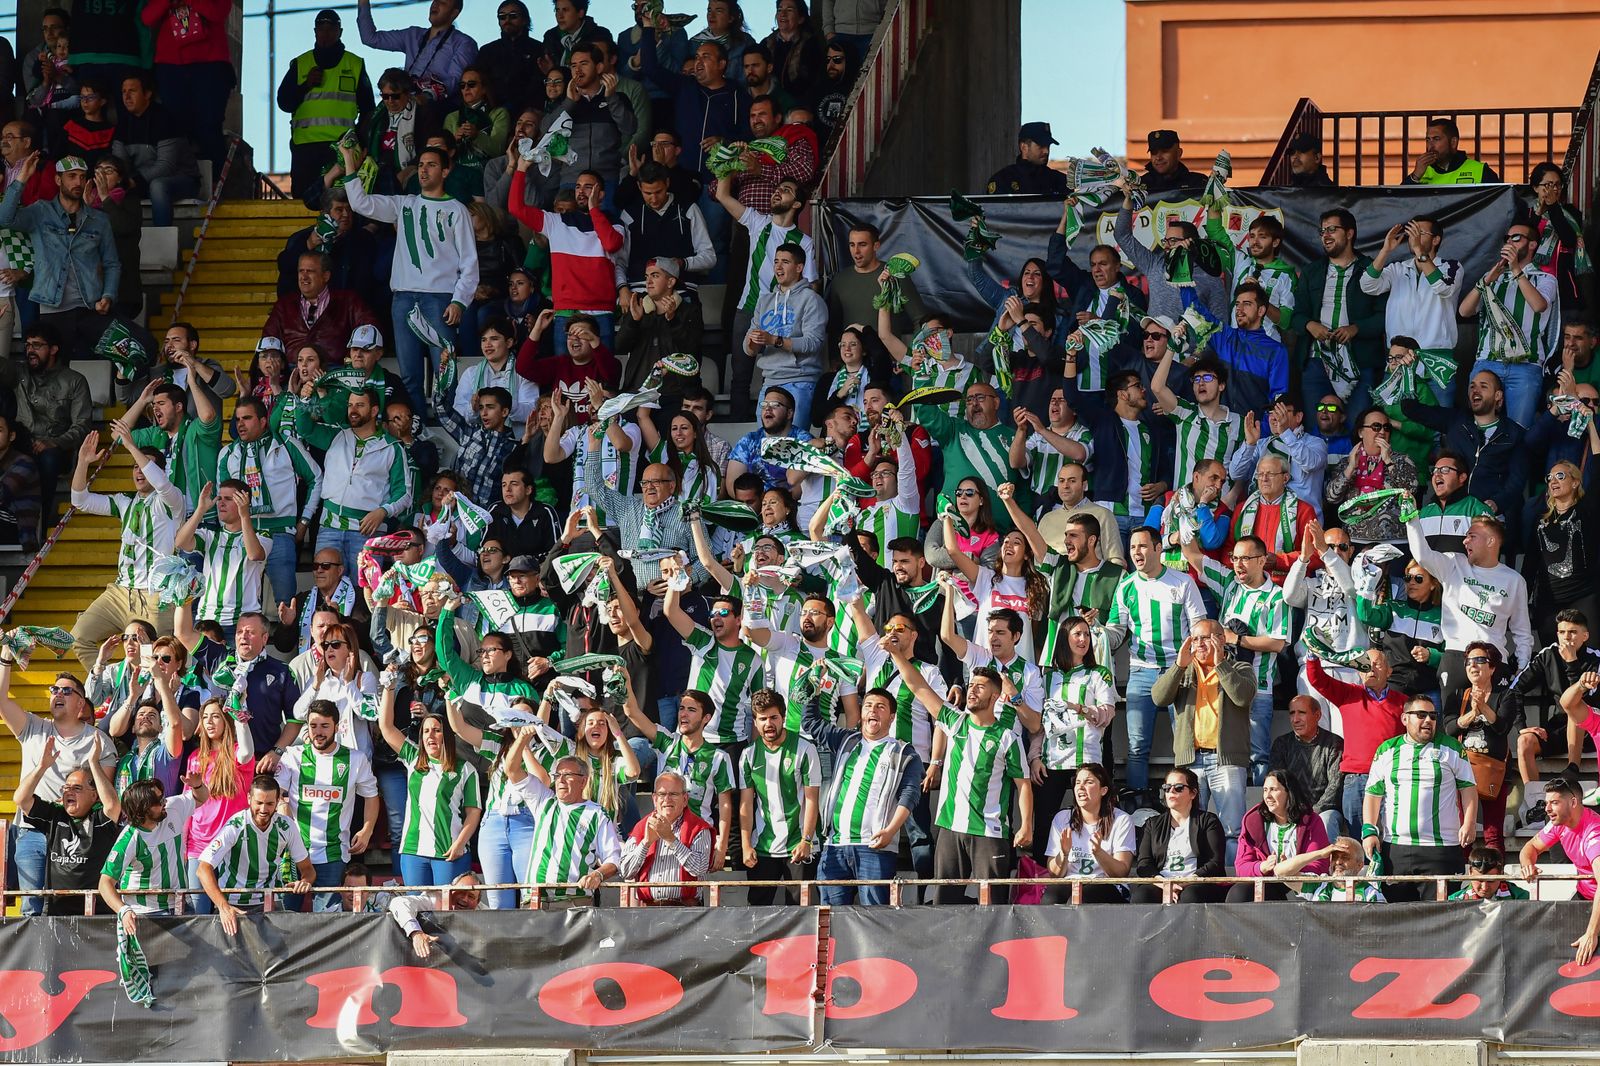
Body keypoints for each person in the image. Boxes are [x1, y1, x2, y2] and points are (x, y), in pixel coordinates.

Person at [339, 141, 477, 416]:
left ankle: (449, 427)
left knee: (444, 371)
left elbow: (470, 263)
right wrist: (348, 160)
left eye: (432, 165)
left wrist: (459, 301)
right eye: (421, 164)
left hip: (439, 298)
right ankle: (415, 434)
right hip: (403, 298)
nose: (424, 170)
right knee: (410, 374)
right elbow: (360, 203)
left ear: (446, 171)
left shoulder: (457, 209)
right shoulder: (405, 204)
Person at [892, 655, 1030, 904]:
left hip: (990, 831)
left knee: (993, 905)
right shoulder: (955, 722)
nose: (972, 690)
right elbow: (918, 686)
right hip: (951, 827)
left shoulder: (1008, 737)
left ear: (996, 696)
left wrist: (1026, 825)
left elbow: (1023, 784)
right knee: (945, 903)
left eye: (980, 686)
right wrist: (896, 654)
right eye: (971, 685)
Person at [0, 658, 117, 917]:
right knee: (31, 906)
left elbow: (101, 795)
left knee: (64, 909)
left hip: (71, 834)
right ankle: (36, 960)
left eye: (66, 690)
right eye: (54, 689)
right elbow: (1, 699)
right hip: (31, 829)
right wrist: (6, 657)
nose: (57, 694)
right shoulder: (32, 726)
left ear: (80, 703)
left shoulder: (99, 740)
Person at [66, 427, 186, 669]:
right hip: (120, 592)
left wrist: (131, 445)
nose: (139, 471)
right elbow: (79, 500)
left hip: (156, 595)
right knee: (79, 637)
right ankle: (110, 688)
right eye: (134, 466)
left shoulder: (172, 501)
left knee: (156, 657)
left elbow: (162, 485)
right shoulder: (125, 502)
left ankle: (149, 702)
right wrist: (82, 462)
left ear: (160, 470)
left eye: (145, 466)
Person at [1104, 526, 1206, 798]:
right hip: (1142, 671)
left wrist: (1190, 664)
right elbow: (1116, 633)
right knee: (1137, 746)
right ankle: (1138, 803)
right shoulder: (1125, 586)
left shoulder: (1183, 582)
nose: (1136, 552)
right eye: (1133, 547)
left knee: (1184, 743)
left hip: (1180, 670)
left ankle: (1187, 798)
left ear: (1159, 548)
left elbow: (1199, 628)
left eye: (1143, 546)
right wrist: (1098, 633)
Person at [1180, 536, 1289, 787]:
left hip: (1259, 686)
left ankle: (1261, 811)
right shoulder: (1230, 584)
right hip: (1222, 688)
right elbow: (1192, 555)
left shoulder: (1276, 596)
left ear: (1262, 561)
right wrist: (1182, 528)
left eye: (1246, 559)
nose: (1239, 564)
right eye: (1235, 558)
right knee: (1223, 753)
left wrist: (1237, 639)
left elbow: (1277, 643)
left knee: (1259, 754)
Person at [1407, 513, 1533, 711]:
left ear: (1491, 541)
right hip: (1456, 657)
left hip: (1494, 660)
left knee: (1491, 732)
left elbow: (1522, 631)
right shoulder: (1453, 564)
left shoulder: (1514, 580)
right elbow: (1422, 555)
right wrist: (1412, 519)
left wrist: (1521, 669)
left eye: (1472, 536)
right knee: (1451, 726)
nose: (1465, 541)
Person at [0, 154, 119, 362]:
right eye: (71, 176)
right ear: (58, 180)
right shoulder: (40, 211)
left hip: (90, 306)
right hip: (51, 306)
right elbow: (5, 218)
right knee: (54, 371)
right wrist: (21, 179)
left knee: (95, 366)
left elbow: (112, 263)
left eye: (82, 177)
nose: (78, 182)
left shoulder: (99, 219)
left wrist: (108, 295)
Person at [1150, 620, 1253, 858]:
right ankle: (1193, 879)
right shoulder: (1185, 670)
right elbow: (1158, 697)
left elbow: (1242, 697)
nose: (1198, 644)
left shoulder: (1240, 667)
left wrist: (1220, 665)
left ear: (1221, 639)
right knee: (1189, 826)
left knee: (1233, 828)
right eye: (1194, 639)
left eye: (1204, 638)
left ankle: (1232, 883)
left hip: (1225, 758)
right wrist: (1177, 666)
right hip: (1190, 761)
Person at [1362, 695, 1478, 902]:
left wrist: (1469, 822)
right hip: (1396, 849)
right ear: (1404, 719)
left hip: (1442, 850)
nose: (1428, 721)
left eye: (1433, 716)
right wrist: (1369, 830)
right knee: (1397, 917)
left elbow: (1468, 787)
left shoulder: (1452, 748)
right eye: (1421, 715)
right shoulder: (1387, 750)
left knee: (1441, 919)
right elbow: (1373, 793)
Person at [718, 174, 815, 419]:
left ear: (796, 204)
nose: (777, 191)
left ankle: (772, 428)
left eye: (786, 190)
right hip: (748, 308)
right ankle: (739, 428)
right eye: (777, 188)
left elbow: (812, 286)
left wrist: (802, 321)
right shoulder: (757, 222)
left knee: (774, 375)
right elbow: (721, 195)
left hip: (783, 316)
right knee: (739, 376)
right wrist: (723, 164)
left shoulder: (804, 242)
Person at [274, 698, 381, 911]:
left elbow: (371, 795)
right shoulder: (293, 756)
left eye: (324, 726)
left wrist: (367, 829)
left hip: (333, 853)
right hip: (294, 852)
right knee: (285, 917)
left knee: (328, 918)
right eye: (313, 726)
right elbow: (278, 795)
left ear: (337, 726)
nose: (318, 732)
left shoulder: (355, 759)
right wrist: (283, 809)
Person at [218, 397, 322, 609]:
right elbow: (222, 498)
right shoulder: (228, 453)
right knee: (240, 603)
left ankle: (288, 640)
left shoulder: (285, 443)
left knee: (286, 602)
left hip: (279, 533)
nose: (240, 424)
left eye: (247, 418)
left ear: (263, 421)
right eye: (237, 419)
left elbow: (316, 478)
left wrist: (303, 521)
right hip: (242, 535)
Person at [1031, 616, 1118, 858]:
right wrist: (1034, 757)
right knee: (1044, 822)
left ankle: (1099, 868)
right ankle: (1040, 879)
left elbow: (1107, 715)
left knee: (1093, 818)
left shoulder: (1099, 674)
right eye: (1077, 634)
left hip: (1087, 759)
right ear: (1064, 638)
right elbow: (1039, 724)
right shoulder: (1046, 677)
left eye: (1087, 635)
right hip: (1051, 761)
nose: (1083, 640)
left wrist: (1078, 707)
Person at [503, 733, 623, 907]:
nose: (561, 780)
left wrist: (597, 875)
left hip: (574, 901)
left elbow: (613, 859)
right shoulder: (543, 801)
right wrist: (522, 738)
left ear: (583, 781)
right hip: (535, 900)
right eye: (558, 775)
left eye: (567, 775)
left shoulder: (596, 814)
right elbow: (512, 770)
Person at [307, 386, 415, 577]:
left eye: (359, 405)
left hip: (367, 534)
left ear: (374, 411)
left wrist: (383, 511)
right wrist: (305, 399)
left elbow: (404, 494)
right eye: (350, 405)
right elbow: (304, 428)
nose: (353, 410)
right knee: (328, 593)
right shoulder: (337, 434)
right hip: (329, 528)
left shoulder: (392, 447)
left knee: (363, 595)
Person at [374, 700, 482, 888]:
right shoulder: (414, 758)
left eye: (436, 730)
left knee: (446, 910)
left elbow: (473, 813)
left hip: (448, 852)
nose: (430, 735)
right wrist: (389, 687)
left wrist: (459, 844)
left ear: (447, 735)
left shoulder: (466, 769)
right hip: (413, 851)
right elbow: (386, 727)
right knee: (415, 909)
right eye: (426, 731)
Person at [1291, 208, 1387, 416]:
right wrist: (1310, 325)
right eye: (1322, 231)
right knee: (1317, 428)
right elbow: (1296, 315)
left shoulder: (1370, 269)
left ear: (1350, 233)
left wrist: (1356, 329)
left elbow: (1384, 317)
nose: (1325, 235)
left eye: (1332, 229)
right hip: (1317, 359)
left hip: (1360, 361)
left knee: (1357, 426)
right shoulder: (1311, 271)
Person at [12, 735, 121, 915]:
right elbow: (20, 799)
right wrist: (42, 767)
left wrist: (94, 762)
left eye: (77, 788)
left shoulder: (100, 820)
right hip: (57, 914)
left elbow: (113, 805)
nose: (69, 791)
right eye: (66, 788)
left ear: (94, 796)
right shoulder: (55, 815)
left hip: (95, 915)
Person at [1304, 649, 1405, 838]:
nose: (1370, 668)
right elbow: (1317, 679)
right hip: (1357, 778)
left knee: (1391, 837)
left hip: (1391, 778)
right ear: (1358, 671)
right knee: (1360, 840)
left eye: (1377, 663)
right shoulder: (1349, 693)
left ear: (1389, 670)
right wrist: (1313, 654)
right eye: (1365, 664)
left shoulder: (1404, 703)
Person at [277, 9, 375, 200]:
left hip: (340, 149)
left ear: (340, 31)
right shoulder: (301, 63)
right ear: (315, 32)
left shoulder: (354, 64)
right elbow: (284, 102)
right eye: (321, 28)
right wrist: (305, 85)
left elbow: (368, 110)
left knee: (339, 203)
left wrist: (360, 143)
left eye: (331, 28)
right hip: (305, 148)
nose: (326, 33)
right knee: (303, 202)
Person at [197, 776, 315, 931]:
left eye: (270, 804)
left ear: (278, 801)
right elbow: (202, 869)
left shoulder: (287, 826)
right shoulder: (235, 825)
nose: (264, 809)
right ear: (248, 799)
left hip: (270, 902)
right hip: (233, 903)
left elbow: (308, 869)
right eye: (259, 803)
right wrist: (223, 907)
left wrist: (305, 881)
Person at [1360, 217, 1460, 401]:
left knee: (1439, 426)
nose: (1413, 236)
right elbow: (1367, 285)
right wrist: (1385, 250)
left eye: (1420, 232)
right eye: (1411, 232)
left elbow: (1444, 287)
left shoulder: (1451, 267)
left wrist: (1420, 252)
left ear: (1436, 239)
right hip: (1398, 362)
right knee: (1395, 424)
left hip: (1436, 365)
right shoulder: (1398, 269)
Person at [737, 690, 820, 904]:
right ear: (754, 722)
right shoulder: (748, 755)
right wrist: (746, 845)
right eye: (762, 719)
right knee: (758, 914)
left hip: (798, 844)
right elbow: (746, 803)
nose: (768, 724)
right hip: (763, 847)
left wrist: (807, 840)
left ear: (783, 717)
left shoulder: (805, 749)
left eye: (773, 717)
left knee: (800, 915)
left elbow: (812, 799)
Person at [99, 772, 212, 922]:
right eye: (159, 801)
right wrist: (123, 910)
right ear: (143, 809)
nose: (165, 801)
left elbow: (201, 798)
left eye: (163, 796)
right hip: (146, 914)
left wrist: (197, 785)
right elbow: (105, 883)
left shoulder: (173, 807)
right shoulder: (130, 839)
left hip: (181, 905)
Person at [1443, 641, 1522, 854]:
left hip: (1494, 770)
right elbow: (1449, 728)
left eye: (1480, 660)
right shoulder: (1458, 695)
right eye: (1469, 661)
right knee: (1462, 830)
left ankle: (1497, 883)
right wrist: (1471, 714)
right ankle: (1460, 882)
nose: (1473, 666)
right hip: (1462, 771)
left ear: (1493, 667)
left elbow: (1502, 727)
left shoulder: (1506, 695)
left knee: (1493, 833)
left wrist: (1484, 707)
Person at [184, 698, 258, 914]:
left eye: (215, 716)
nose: (209, 722)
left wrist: (240, 718)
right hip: (198, 845)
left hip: (231, 845)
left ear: (226, 721)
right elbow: (188, 806)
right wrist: (183, 844)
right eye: (205, 717)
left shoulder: (236, 753)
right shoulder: (195, 757)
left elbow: (247, 752)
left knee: (233, 913)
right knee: (199, 914)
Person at [1519, 776, 1600, 964]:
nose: (1547, 809)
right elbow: (1529, 848)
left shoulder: (1594, 833)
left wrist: (1591, 933)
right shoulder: (1559, 824)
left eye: (1554, 803)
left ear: (1573, 802)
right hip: (1584, 896)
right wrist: (1527, 864)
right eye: (1547, 803)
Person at [175, 481, 268, 640]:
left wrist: (244, 514)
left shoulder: (262, 536)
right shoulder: (210, 535)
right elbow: (180, 542)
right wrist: (200, 510)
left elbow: (254, 554)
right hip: (207, 621)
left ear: (244, 502)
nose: (221, 503)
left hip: (242, 624)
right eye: (219, 498)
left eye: (229, 499)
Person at [1088, 371, 1174, 542]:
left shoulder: (1151, 429)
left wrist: (1161, 485)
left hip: (1145, 516)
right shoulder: (1104, 422)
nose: (1144, 390)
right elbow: (1073, 397)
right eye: (1137, 386)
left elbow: (1167, 468)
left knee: (1144, 569)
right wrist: (1071, 357)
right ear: (1122, 394)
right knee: (1113, 568)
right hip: (1110, 513)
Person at [1227, 769, 1333, 901]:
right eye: (1265, 790)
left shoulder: (1311, 821)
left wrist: (1290, 867)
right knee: (1239, 893)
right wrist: (1261, 867)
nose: (1268, 796)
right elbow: (1242, 866)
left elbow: (1319, 865)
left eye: (1273, 789)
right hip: (1267, 881)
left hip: (1300, 882)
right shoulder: (1253, 821)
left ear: (1289, 793)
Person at [109, 72, 199, 228]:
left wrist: (132, 182)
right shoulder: (123, 123)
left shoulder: (165, 119)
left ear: (148, 94)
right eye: (123, 92)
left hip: (181, 179)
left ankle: (162, 240)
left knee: (158, 186)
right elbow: (119, 163)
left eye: (132, 91)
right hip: (141, 181)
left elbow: (166, 166)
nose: (127, 97)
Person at [357, 0, 477, 111]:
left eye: (443, 3)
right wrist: (363, 2)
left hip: (437, 110)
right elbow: (370, 38)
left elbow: (455, 81)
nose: (435, 4)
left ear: (454, 13)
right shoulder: (413, 34)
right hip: (405, 104)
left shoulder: (464, 43)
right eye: (435, 0)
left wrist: (427, 96)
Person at [1129, 767, 1227, 902]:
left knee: (1190, 895)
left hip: (1197, 882)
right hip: (1162, 882)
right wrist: (1165, 885)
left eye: (1179, 787)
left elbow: (1215, 862)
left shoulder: (1209, 821)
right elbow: (1144, 864)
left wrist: (1186, 882)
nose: (1171, 791)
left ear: (1193, 793)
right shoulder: (1152, 824)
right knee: (1142, 896)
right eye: (1167, 787)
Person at [1152, 348, 1242, 496]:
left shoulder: (1240, 423)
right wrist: (1171, 347)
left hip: (1220, 508)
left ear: (1221, 385)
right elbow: (1157, 387)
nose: (1201, 383)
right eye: (1196, 379)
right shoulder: (1185, 412)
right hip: (1183, 508)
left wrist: (1231, 498)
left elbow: (1245, 469)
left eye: (1207, 378)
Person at [618, 770, 714, 905]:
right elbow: (625, 872)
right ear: (654, 799)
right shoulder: (641, 828)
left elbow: (699, 869)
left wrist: (670, 839)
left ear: (685, 799)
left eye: (674, 794)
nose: (667, 799)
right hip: (648, 910)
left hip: (687, 910)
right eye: (662, 794)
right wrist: (646, 843)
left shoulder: (699, 828)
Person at [261, 251, 379, 360]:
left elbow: (370, 330)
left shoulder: (348, 301)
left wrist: (350, 360)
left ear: (325, 276)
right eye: (301, 271)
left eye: (310, 271)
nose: (304, 276)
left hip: (335, 371)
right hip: (294, 372)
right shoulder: (284, 305)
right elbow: (268, 341)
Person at [1323, 409, 1418, 546]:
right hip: (1355, 542)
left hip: (1395, 542)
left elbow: (1410, 492)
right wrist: (1350, 468)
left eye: (1386, 427)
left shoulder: (1402, 460)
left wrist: (1388, 461)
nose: (1382, 432)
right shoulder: (1346, 462)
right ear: (1361, 432)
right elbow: (1332, 497)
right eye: (1376, 426)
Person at [1357, 558, 1445, 705]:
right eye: (1407, 578)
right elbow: (1366, 615)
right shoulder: (1393, 608)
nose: (1411, 582)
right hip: (1395, 684)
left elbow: (1451, 655)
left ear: (1433, 584)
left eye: (1418, 579)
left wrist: (1431, 655)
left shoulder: (1444, 616)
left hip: (1429, 688)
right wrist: (1367, 586)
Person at [1043, 762, 1133, 902]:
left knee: (1079, 898)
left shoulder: (1121, 819)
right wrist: (1064, 853)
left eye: (1088, 782)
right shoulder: (1062, 818)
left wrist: (1098, 852)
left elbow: (1121, 872)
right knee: (1050, 897)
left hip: (1106, 884)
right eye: (1078, 782)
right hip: (1071, 882)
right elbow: (1054, 874)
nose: (1081, 787)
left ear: (1103, 790)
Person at [1227, 399, 1329, 523]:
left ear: (1298, 417)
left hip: (1302, 523)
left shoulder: (1315, 443)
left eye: (1281, 412)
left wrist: (1286, 434)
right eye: (1271, 412)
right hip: (1260, 519)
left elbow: (1310, 464)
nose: (1274, 417)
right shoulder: (1260, 444)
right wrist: (1249, 444)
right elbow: (1236, 474)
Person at [827, 222, 926, 339]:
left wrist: (910, 354)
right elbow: (834, 327)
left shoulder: (894, 276)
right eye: (852, 245)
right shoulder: (840, 280)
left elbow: (921, 320)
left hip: (889, 356)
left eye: (862, 245)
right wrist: (836, 356)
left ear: (876, 246)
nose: (856, 251)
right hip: (851, 355)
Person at [1268, 697, 1344, 842]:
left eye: (1301, 713)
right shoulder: (1282, 744)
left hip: (1324, 810)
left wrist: (1313, 813)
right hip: (1290, 809)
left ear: (1317, 715)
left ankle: (1327, 864)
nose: (1295, 719)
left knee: (1326, 820)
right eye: (1292, 713)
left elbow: (1336, 785)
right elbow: (1277, 783)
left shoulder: (1334, 743)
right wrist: (1293, 810)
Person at [1528, 161, 1591, 317]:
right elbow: (1525, 242)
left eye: (1557, 185)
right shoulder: (1526, 214)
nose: (1553, 189)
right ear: (1536, 187)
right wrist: (1537, 216)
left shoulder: (1571, 213)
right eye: (1548, 185)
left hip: (1565, 287)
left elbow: (1569, 240)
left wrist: (1553, 207)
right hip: (1533, 287)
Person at [1404, 117, 1501, 185]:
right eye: (1428, 140)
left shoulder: (1481, 171)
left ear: (1453, 142)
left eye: (1436, 139)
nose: (1431, 145)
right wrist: (1415, 177)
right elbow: (1399, 206)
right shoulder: (1421, 172)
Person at [985, 120, 1068, 197]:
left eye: (1048, 146)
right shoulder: (1003, 179)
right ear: (1024, 147)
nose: (1046, 151)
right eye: (1041, 146)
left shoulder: (1060, 181)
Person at [1450, 845, 1528, 901]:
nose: (1484, 887)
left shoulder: (1521, 898)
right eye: (1479, 880)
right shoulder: (1454, 901)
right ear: (1470, 872)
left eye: (1491, 880)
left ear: (1501, 873)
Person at [1141, 128, 1205, 194]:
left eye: (1164, 151)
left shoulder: (1198, 183)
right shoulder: (1140, 186)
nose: (1158, 157)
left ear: (1179, 153)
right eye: (1154, 152)